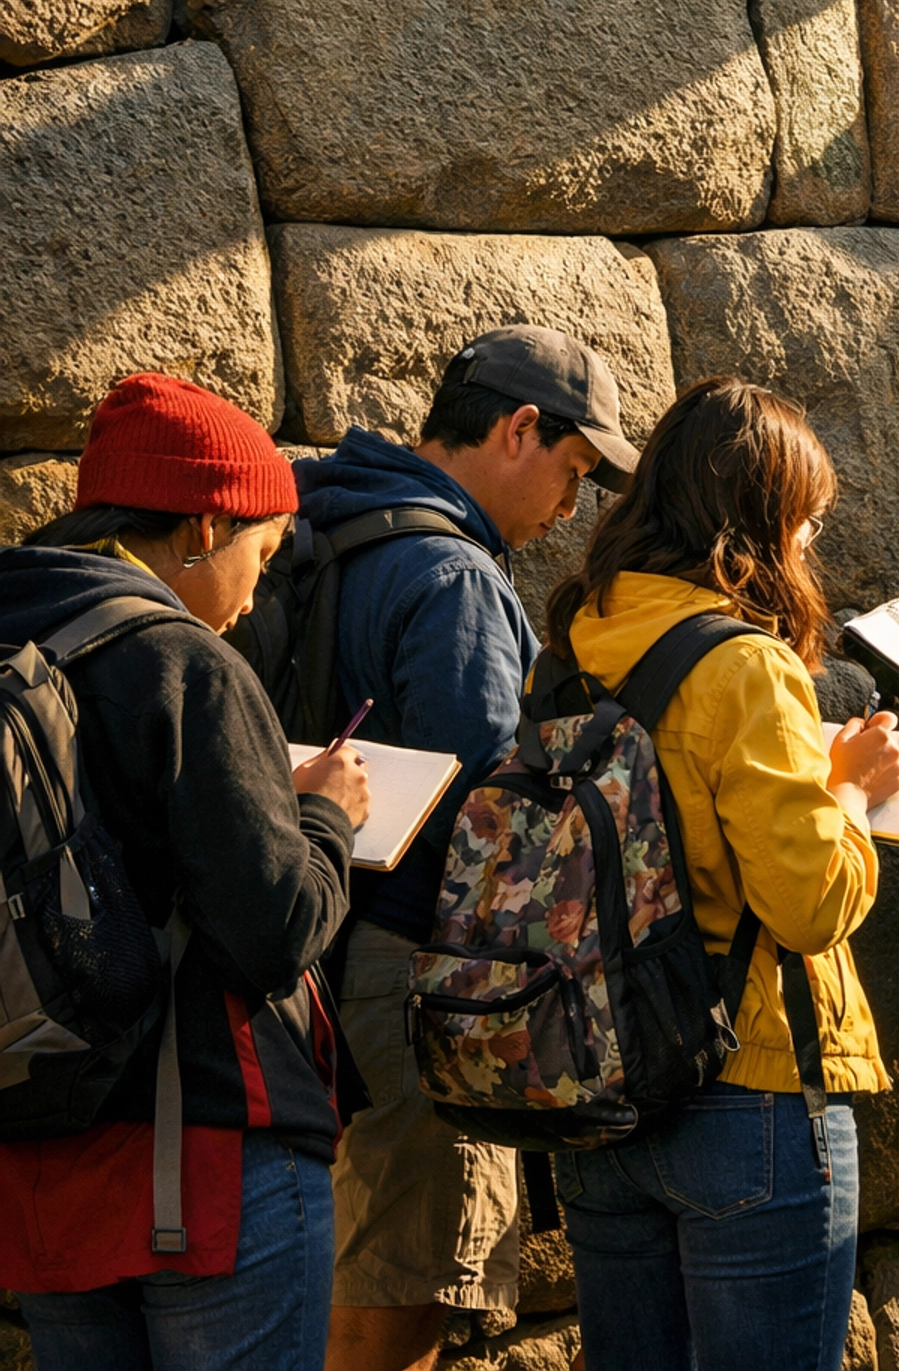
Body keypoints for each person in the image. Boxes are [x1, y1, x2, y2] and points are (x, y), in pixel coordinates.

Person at [0, 372, 370, 1371]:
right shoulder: (182, 661)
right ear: (205, 527)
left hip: (35, 1160)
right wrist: (326, 817)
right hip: (201, 1163)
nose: (254, 598)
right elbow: (275, 929)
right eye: (262, 551)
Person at [297, 327, 639, 1371]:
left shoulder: (318, 526)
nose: (570, 511)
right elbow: (496, 818)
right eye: (574, 473)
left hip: (297, 951)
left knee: (328, 1269)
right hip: (403, 975)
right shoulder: (452, 578)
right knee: (400, 1288)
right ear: (519, 428)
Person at [544, 377, 899, 1371]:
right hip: (748, 1078)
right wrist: (854, 792)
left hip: (598, 1080)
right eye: (808, 523)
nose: (810, 547)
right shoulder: (745, 665)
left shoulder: (570, 647)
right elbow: (809, 901)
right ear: (761, 520)